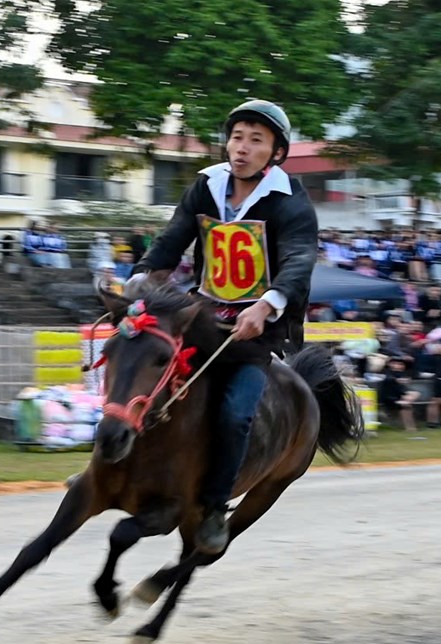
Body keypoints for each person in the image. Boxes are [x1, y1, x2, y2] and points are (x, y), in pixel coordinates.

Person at [131, 100, 320, 556]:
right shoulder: (207, 185)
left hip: (255, 332)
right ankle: (115, 467)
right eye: (238, 137)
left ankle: (214, 507)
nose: (242, 148)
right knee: (140, 375)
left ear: (275, 153)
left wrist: (268, 304)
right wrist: (141, 278)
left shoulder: (291, 200)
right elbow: (174, 238)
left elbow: (298, 259)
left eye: (257, 140)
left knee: (236, 413)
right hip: (201, 318)